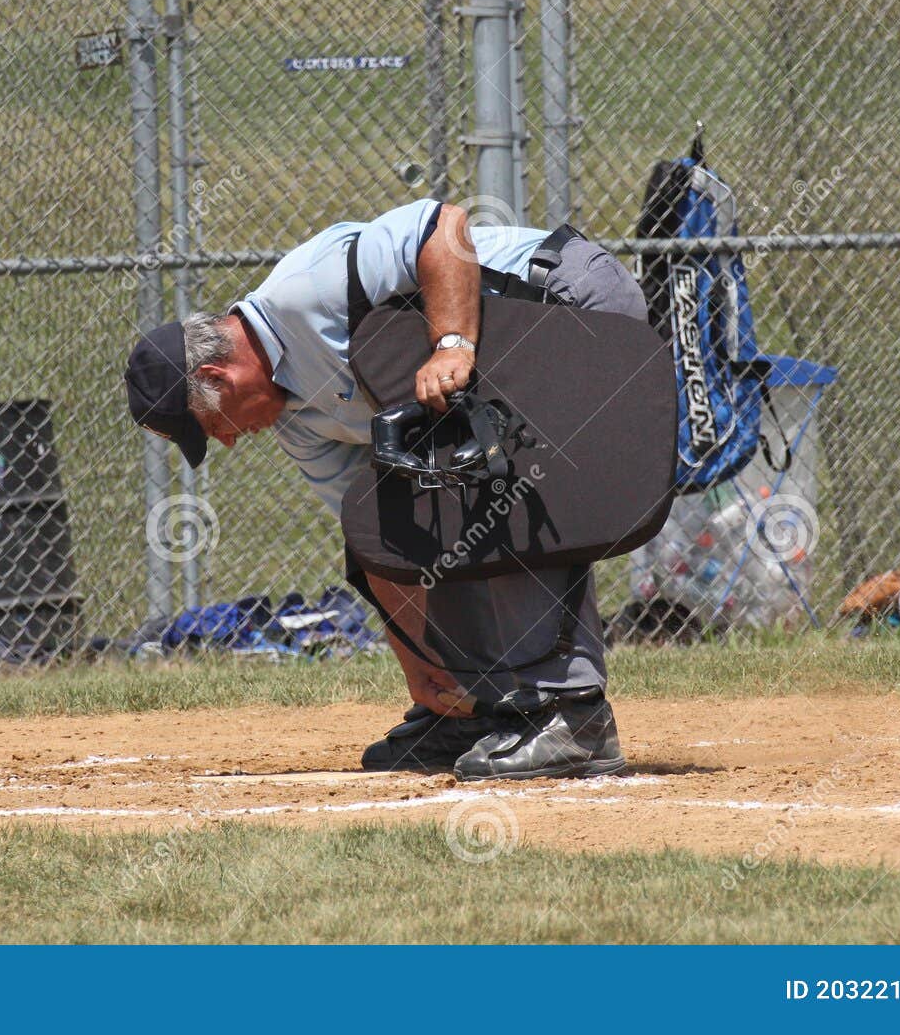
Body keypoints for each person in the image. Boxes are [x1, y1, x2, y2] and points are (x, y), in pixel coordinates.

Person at [123, 199, 649, 781]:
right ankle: (480, 706)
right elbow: (378, 537)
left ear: (217, 377)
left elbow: (445, 228)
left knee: (488, 488)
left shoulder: (306, 291)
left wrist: (452, 343)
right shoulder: (296, 423)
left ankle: (573, 717)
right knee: (422, 503)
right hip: (518, 351)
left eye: (210, 425)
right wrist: (422, 667)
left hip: (569, 301)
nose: (224, 442)